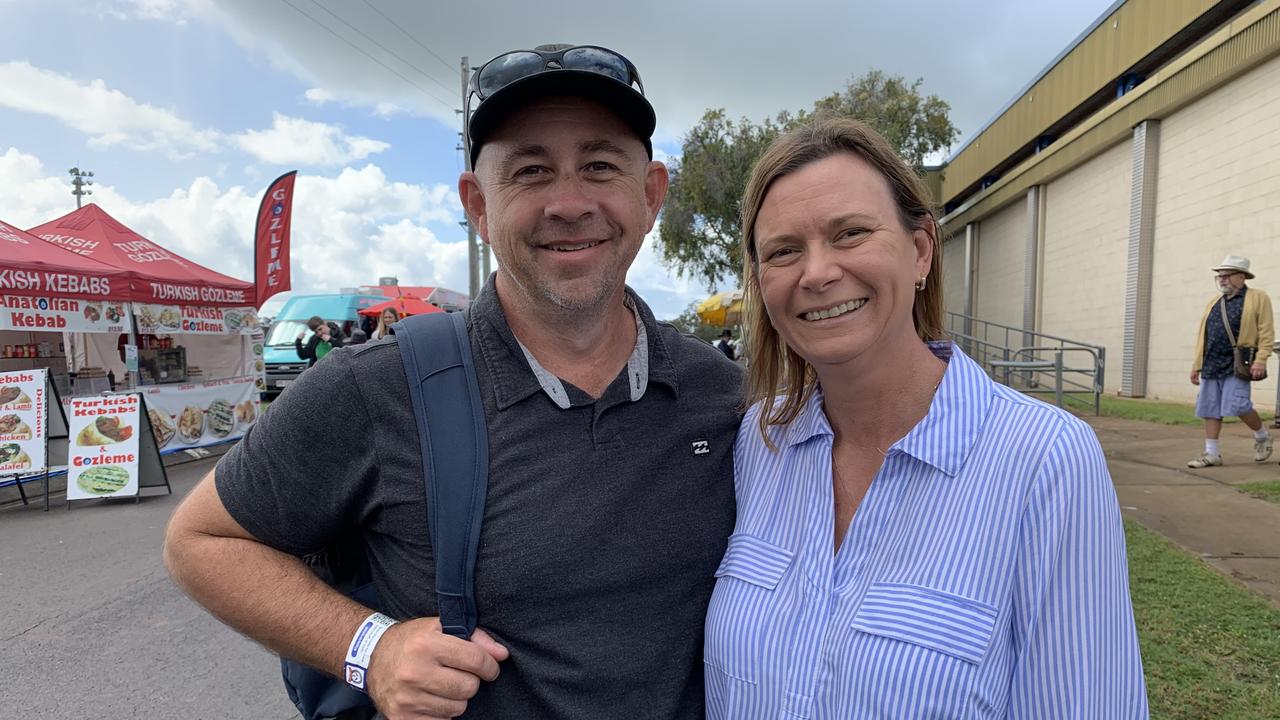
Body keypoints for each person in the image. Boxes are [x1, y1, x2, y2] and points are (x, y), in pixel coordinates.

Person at [164, 43, 742, 720]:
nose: (569, 202)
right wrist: (370, 649)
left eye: (600, 166)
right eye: (530, 171)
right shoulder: (375, 388)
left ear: (650, 196)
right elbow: (199, 542)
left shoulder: (721, 393)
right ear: (478, 206)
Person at [702, 116, 1147, 718]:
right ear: (760, 282)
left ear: (919, 252)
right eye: (784, 251)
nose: (817, 272)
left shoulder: (1043, 459)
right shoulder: (760, 444)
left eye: (851, 233)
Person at [1187, 255, 1273, 468]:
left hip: (1238, 363)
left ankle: (1262, 436)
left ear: (1241, 277)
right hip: (1211, 363)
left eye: (1227, 275)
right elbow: (1204, 336)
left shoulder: (1257, 297)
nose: (1222, 280)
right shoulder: (1214, 303)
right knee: (1210, 408)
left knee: (1238, 405)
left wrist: (1261, 359)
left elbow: (1266, 331)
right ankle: (1212, 453)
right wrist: (1196, 365)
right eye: (1220, 276)